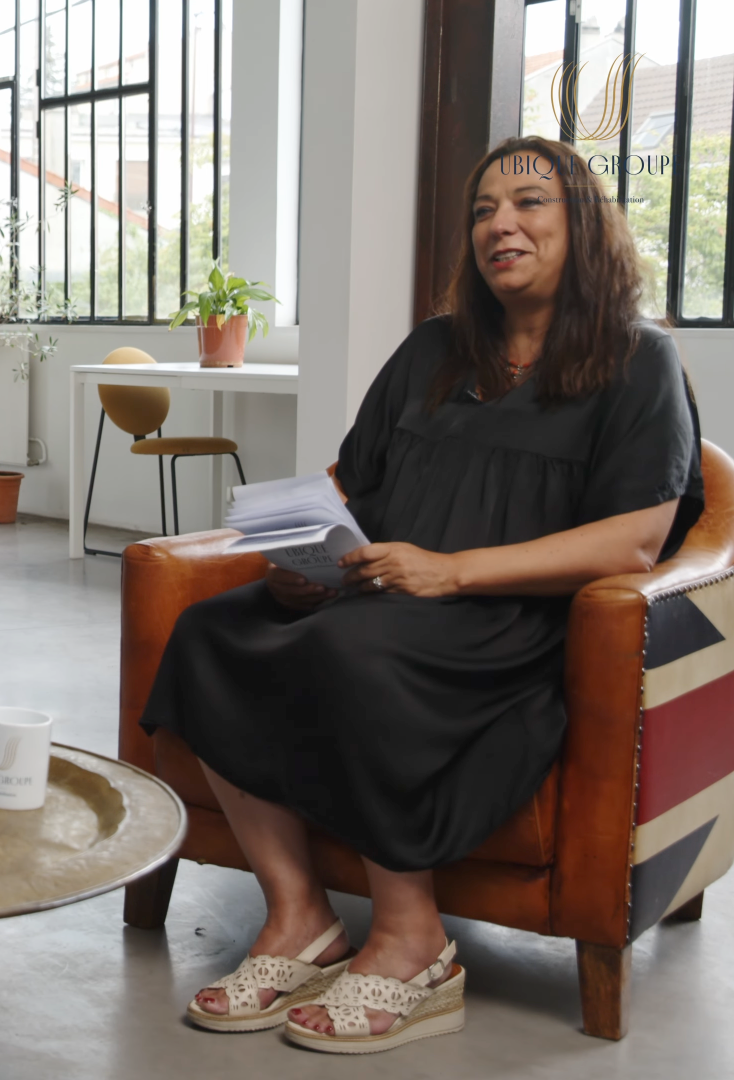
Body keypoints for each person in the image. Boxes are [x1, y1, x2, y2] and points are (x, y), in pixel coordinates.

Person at [141, 136, 702, 1052]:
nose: (500, 224)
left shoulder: (638, 360)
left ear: (586, 226)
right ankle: (298, 916)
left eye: (528, 203)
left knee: (350, 650)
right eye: (483, 211)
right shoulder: (435, 348)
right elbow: (352, 484)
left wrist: (452, 571)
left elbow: (634, 539)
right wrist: (307, 559)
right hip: (381, 593)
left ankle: (414, 943)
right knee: (210, 631)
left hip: (511, 620)